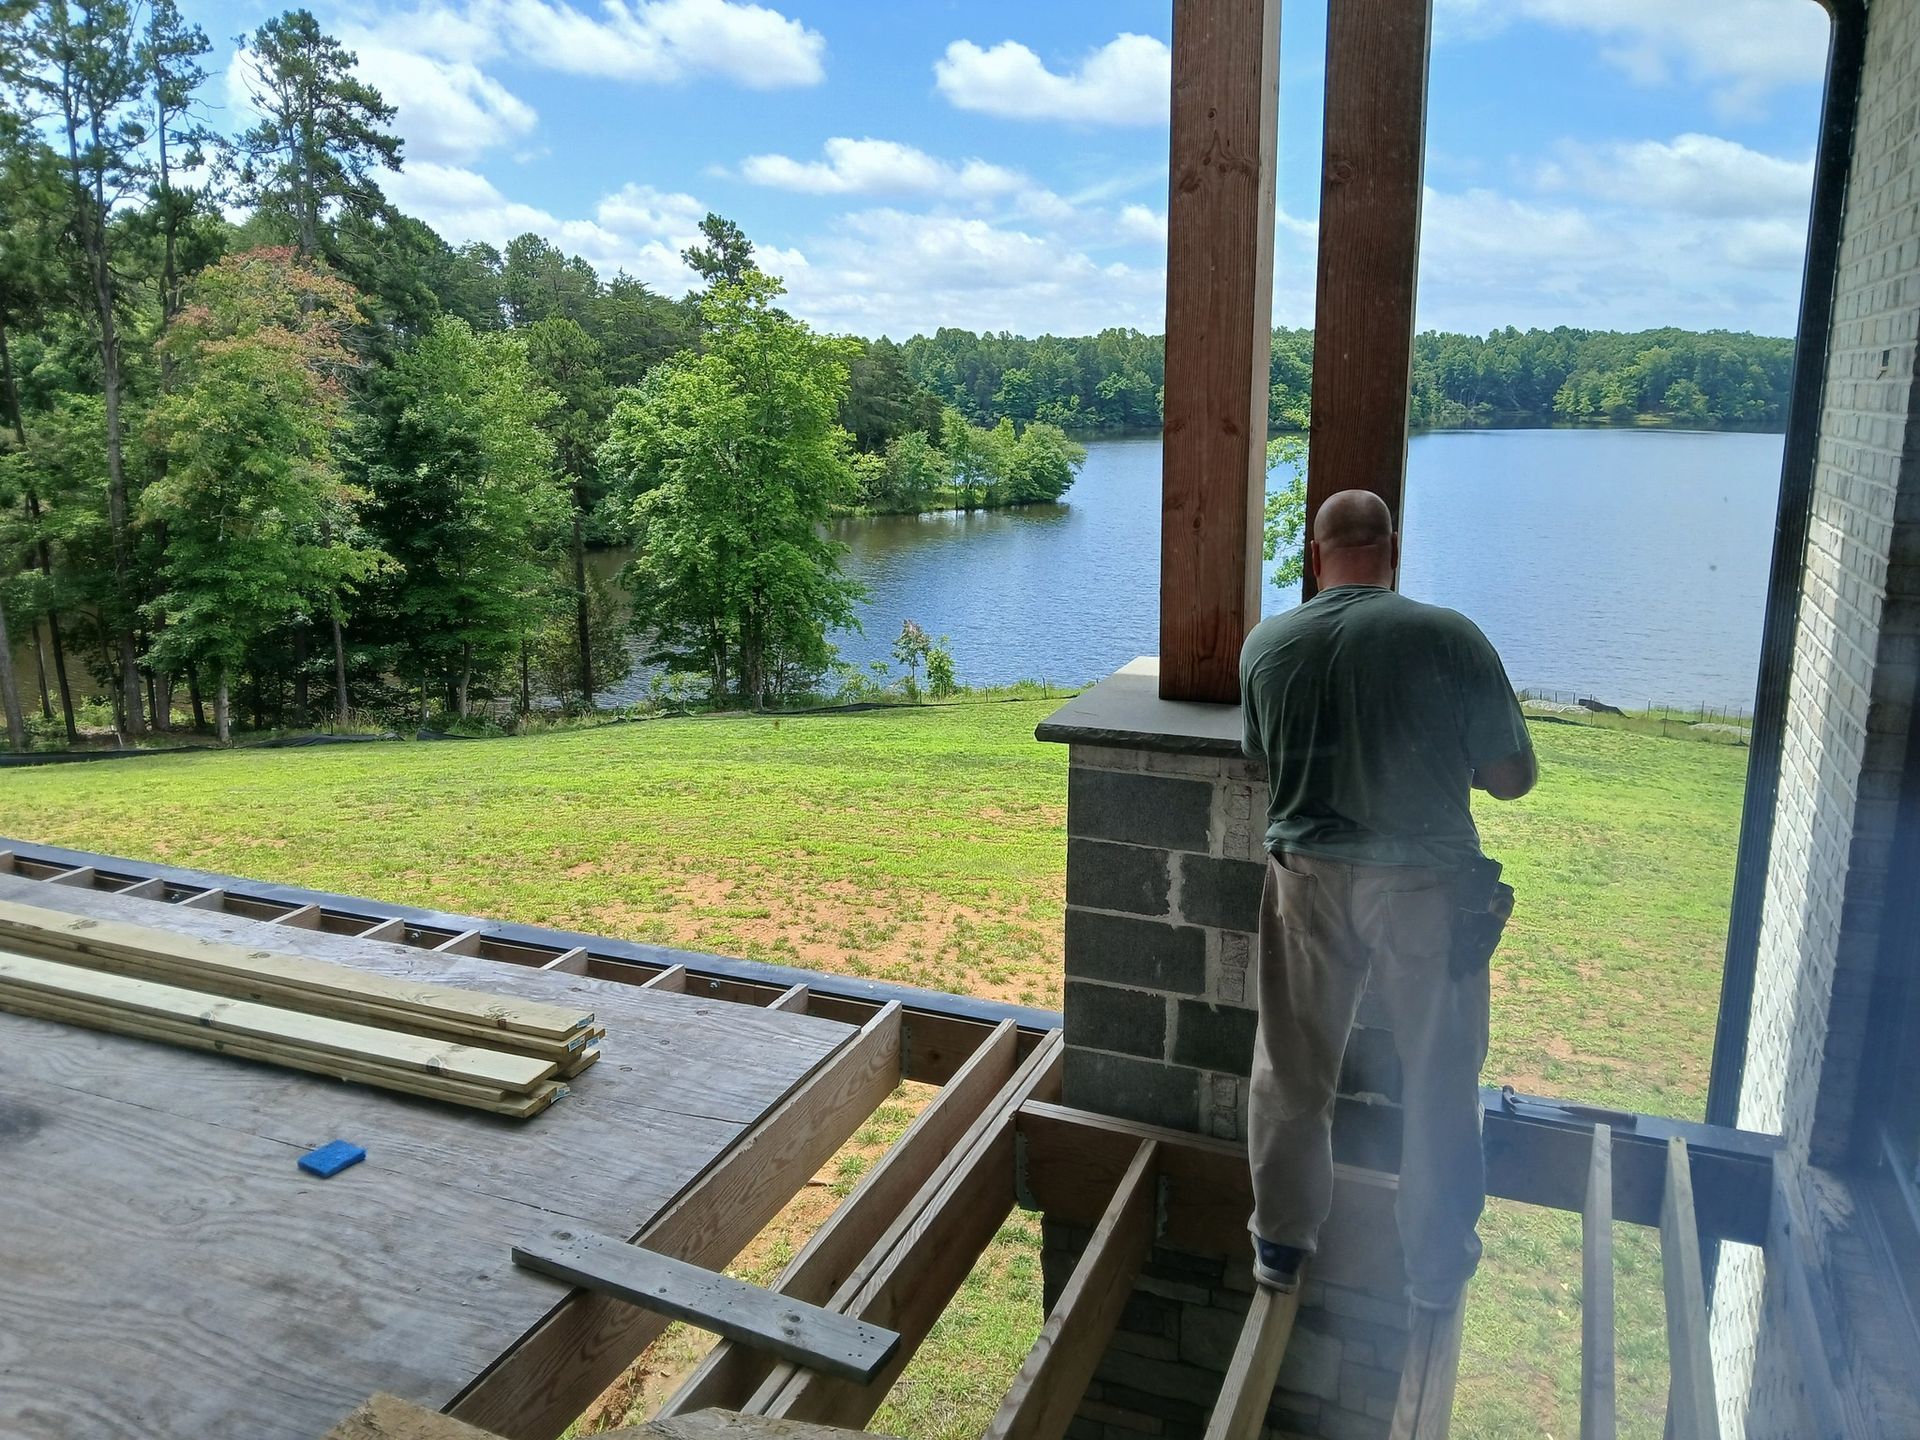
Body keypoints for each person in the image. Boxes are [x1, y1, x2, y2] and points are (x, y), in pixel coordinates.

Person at [1237, 488, 1535, 1311]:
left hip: (1305, 878)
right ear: (1392, 548)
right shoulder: (1450, 638)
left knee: (1292, 1068)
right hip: (1426, 889)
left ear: (1312, 555)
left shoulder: (1267, 645)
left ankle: (1279, 1245)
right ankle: (1434, 1271)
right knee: (1440, 1075)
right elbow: (1512, 779)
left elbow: (1268, 754)